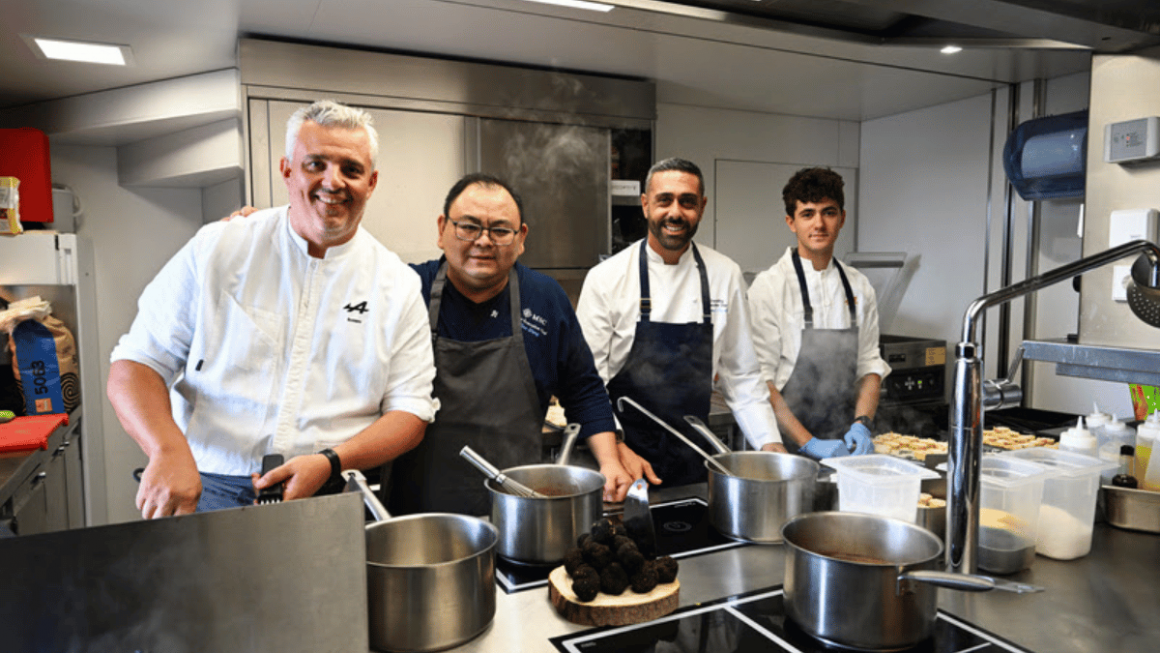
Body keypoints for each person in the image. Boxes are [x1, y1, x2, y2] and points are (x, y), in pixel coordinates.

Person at [107, 100, 439, 518]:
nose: (333, 181)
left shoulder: (396, 284)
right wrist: (166, 449)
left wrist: (330, 461)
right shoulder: (219, 248)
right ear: (287, 170)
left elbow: (411, 410)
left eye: (351, 169)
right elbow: (136, 363)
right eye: (315, 164)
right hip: (208, 486)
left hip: (333, 490)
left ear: (371, 183)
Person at [386, 173, 633, 516]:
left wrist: (610, 462)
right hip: (417, 514)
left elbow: (583, 390)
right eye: (468, 227)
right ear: (442, 229)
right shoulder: (407, 289)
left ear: (521, 239)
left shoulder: (545, 298)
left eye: (500, 231)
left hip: (517, 508)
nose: (484, 241)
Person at [576, 157, 785, 487]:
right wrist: (614, 449)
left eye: (687, 202)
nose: (675, 212)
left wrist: (770, 445)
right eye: (664, 200)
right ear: (645, 205)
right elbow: (587, 383)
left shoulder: (725, 275)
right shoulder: (606, 278)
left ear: (702, 207)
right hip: (622, 463)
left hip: (694, 459)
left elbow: (742, 376)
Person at [747, 167, 891, 459]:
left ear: (842, 218)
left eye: (829, 212)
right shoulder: (770, 287)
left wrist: (862, 424)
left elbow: (869, 367)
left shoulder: (859, 286)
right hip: (784, 446)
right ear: (791, 222)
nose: (819, 224)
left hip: (846, 443)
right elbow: (762, 382)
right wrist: (809, 443)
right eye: (807, 214)